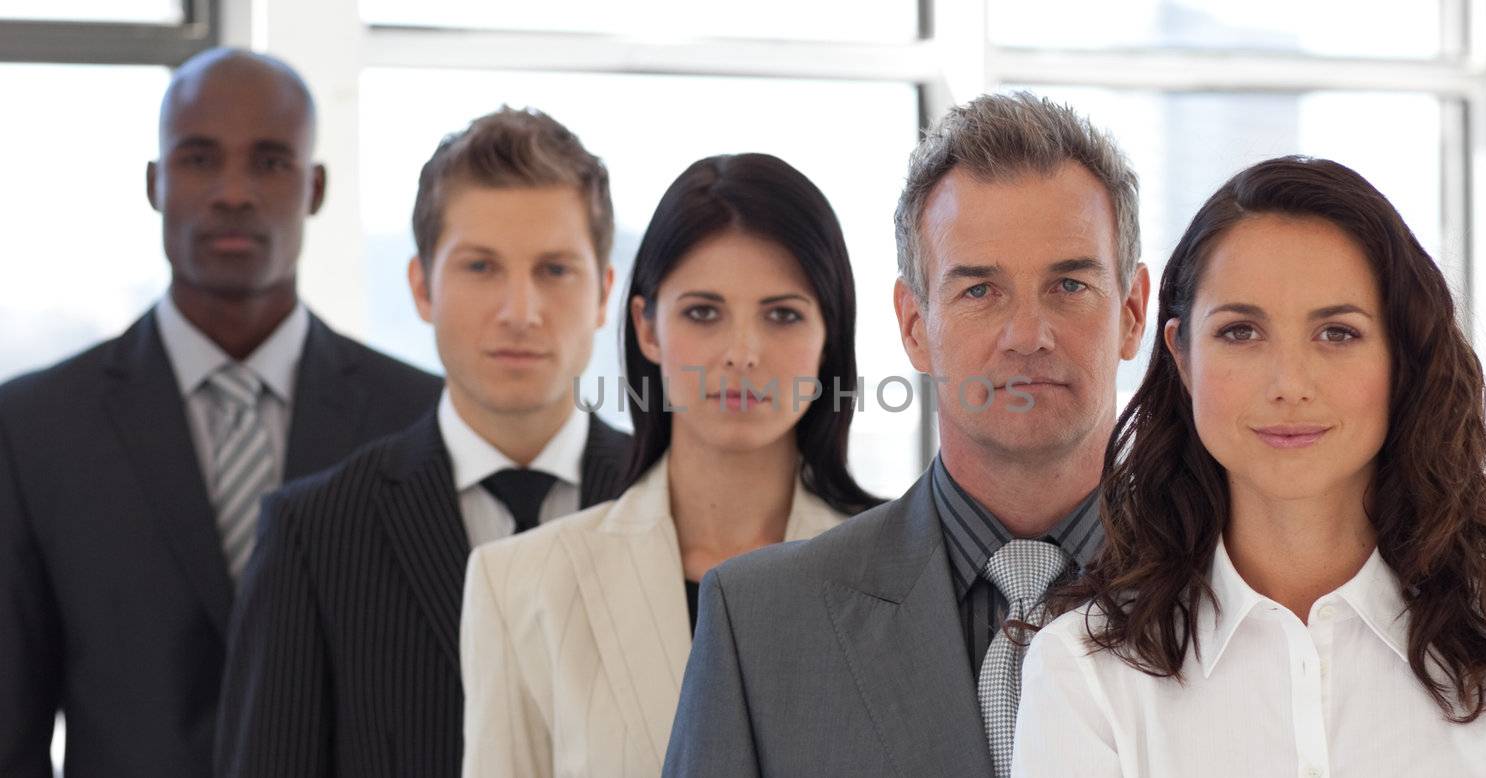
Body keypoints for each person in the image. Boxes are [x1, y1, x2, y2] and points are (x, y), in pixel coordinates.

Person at [1012, 156, 1486, 777]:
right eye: (1241, 332)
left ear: (1402, 358)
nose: (1289, 384)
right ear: (1182, 359)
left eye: (1337, 334)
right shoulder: (1085, 673)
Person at [662, 92, 1151, 777]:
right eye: (980, 291)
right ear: (914, 324)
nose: (1027, 337)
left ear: (1132, 312)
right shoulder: (761, 625)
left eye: (1068, 284)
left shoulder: (1236, 593)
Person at [0, 48, 441, 778]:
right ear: (155, 182)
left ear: (316, 187)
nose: (234, 192)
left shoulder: (419, 420)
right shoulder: (35, 430)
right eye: (200, 159)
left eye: (270, 162)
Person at [213, 108, 631, 777]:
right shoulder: (314, 535)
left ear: (604, 292)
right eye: (481, 267)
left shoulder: (674, 500)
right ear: (421, 287)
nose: (520, 310)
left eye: (555, 269)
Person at [459, 151, 880, 777]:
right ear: (647, 328)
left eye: (783, 314)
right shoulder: (524, 584)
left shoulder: (903, 571)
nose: (742, 353)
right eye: (703, 312)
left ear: (829, 335)